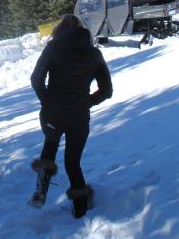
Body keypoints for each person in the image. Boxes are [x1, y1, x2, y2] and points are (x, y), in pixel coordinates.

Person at [29, 14, 112, 218]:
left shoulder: (53, 47)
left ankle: (40, 193)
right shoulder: (94, 53)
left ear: (60, 30)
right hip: (79, 116)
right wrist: (86, 102)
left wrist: (46, 100)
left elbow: (36, 79)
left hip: (53, 113)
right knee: (72, 162)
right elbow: (107, 90)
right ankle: (80, 207)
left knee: (50, 146)